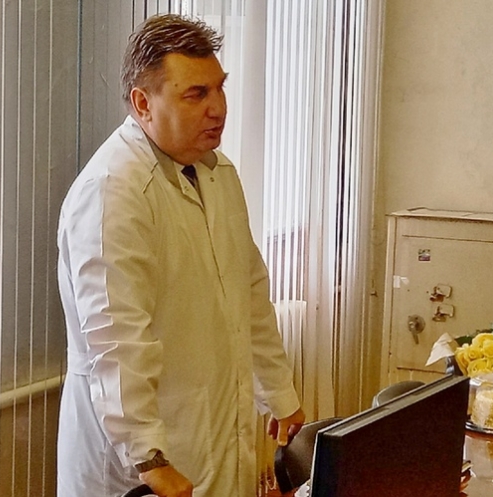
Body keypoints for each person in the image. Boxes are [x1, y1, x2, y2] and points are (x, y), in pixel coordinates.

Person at [55, 14, 305, 497]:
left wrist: (278, 392)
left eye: (219, 88)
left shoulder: (217, 172)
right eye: (196, 94)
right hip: (139, 462)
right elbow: (116, 338)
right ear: (143, 104)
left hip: (210, 430)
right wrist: (149, 457)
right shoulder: (113, 191)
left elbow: (249, 293)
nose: (218, 108)